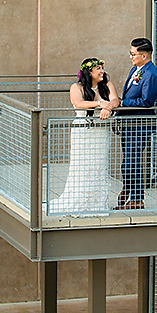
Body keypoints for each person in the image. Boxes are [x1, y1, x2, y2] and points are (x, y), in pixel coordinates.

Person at [50, 58, 122, 216]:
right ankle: (79, 200)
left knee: (99, 165)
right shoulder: (76, 87)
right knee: (81, 166)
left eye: (102, 68)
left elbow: (115, 100)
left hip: (101, 133)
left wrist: (108, 107)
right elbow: (78, 103)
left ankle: (97, 203)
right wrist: (99, 104)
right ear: (89, 72)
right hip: (83, 133)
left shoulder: (107, 85)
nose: (102, 71)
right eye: (98, 69)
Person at [115, 38, 157, 210]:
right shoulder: (136, 69)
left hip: (140, 124)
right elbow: (130, 95)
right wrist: (119, 115)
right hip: (128, 123)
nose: (130, 57)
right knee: (128, 161)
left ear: (144, 55)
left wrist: (123, 104)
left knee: (132, 161)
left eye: (133, 54)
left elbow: (147, 101)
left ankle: (136, 198)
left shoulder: (150, 73)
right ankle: (129, 189)